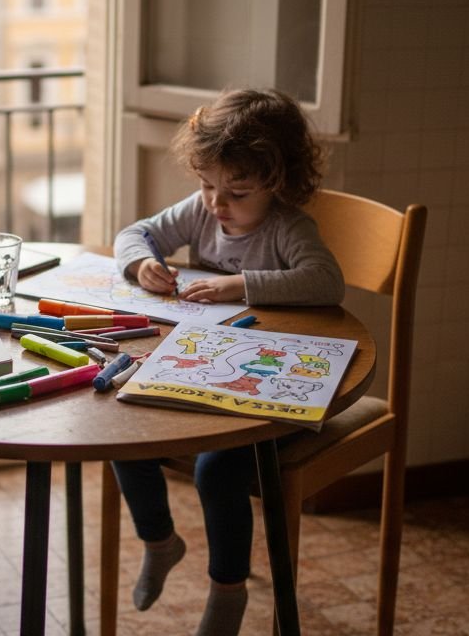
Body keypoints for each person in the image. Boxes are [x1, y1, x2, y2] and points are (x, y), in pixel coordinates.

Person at [111, 88, 344, 636]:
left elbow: (326, 280)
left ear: (278, 181)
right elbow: (135, 234)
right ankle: (161, 541)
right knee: (123, 428)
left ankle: (227, 592)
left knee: (219, 470)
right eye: (207, 185)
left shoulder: (287, 227)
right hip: (205, 373)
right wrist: (142, 263)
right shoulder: (201, 212)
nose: (217, 203)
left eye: (237, 191)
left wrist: (239, 285)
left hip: (275, 386)